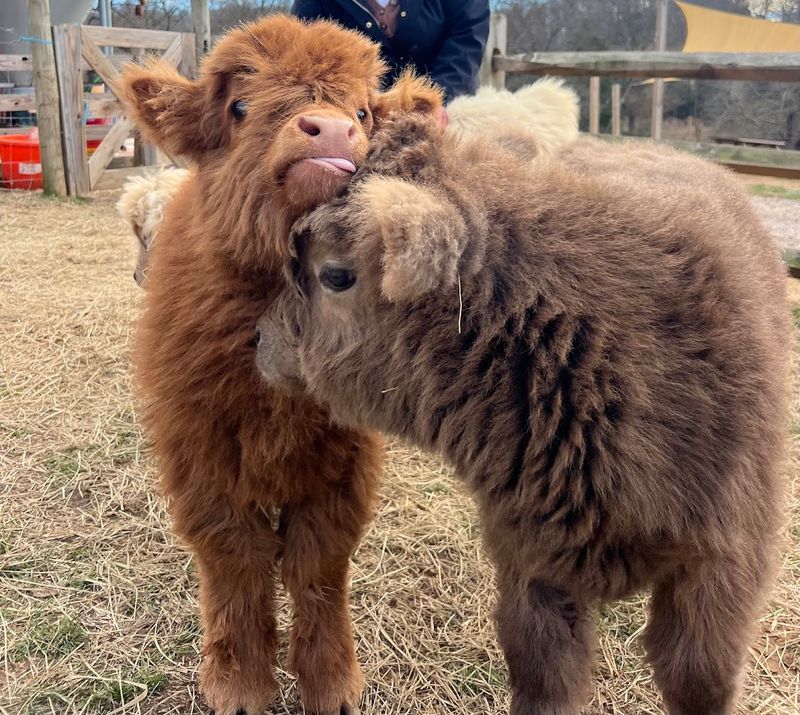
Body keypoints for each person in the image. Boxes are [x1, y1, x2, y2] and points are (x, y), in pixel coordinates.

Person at [291, 0, 490, 102]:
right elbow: (303, 48)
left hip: (448, 100)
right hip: (356, 111)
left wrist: (438, 99)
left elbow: (467, 37)